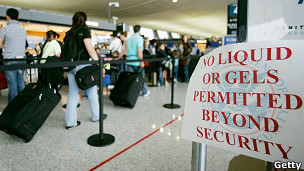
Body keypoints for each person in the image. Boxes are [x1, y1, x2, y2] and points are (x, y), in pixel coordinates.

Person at [64, 11, 100, 129]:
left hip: (71, 66)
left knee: (73, 94)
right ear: (84, 20)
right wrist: (98, 62)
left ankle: (70, 122)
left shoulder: (69, 33)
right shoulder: (84, 31)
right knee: (91, 91)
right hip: (83, 66)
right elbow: (89, 49)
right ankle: (96, 116)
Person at [0, 8, 27, 103]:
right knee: (20, 83)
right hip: (22, 59)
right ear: (18, 17)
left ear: (7, 17)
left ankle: (12, 111)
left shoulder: (5, 29)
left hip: (10, 60)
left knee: (12, 85)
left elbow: (0, 45)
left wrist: (6, 45)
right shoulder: (23, 31)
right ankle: (22, 106)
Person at [126, 25, 150, 97]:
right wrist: (141, 61)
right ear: (139, 30)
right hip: (137, 62)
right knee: (140, 77)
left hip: (129, 61)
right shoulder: (139, 38)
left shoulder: (129, 39)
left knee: (131, 78)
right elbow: (139, 51)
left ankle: (131, 92)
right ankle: (144, 91)